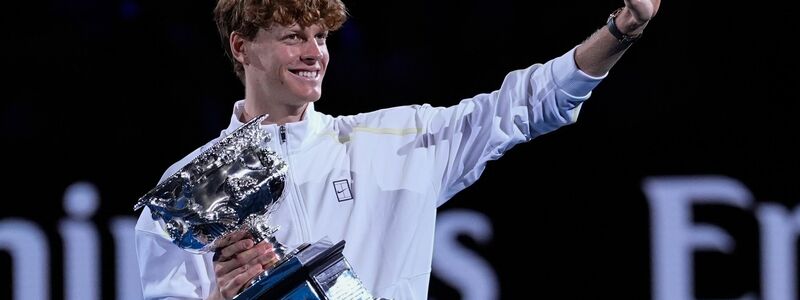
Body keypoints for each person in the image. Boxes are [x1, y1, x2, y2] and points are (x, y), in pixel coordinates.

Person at [134, 0, 661, 299]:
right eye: (294, 36)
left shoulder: (394, 141)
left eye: (321, 38)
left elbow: (522, 105)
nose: (314, 54)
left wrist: (621, 30)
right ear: (241, 47)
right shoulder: (192, 187)